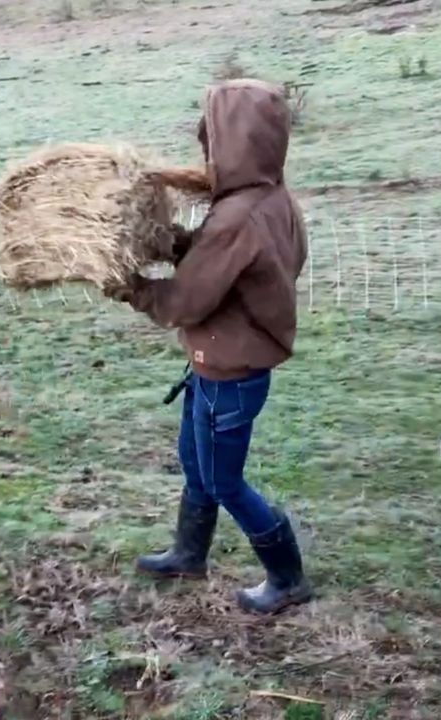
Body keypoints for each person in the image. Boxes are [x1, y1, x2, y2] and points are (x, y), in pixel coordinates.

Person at [108, 78, 311, 614]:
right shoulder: (273, 198)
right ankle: (188, 554)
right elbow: (230, 266)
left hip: (230, 372)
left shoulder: (236, 217)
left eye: (213, 134)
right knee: (195, 462)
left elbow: (182, 303)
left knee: (224, 480)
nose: (207, 145)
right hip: (222, 361)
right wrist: (175, 243)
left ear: (232, 140)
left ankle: (287, 578)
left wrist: (128, 286)